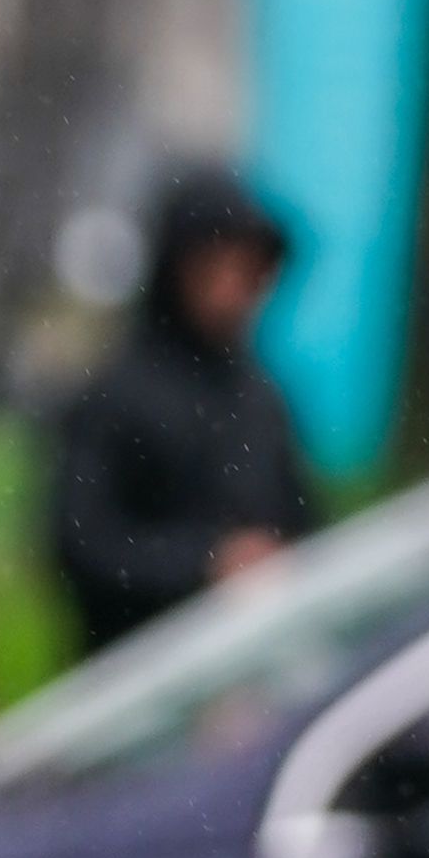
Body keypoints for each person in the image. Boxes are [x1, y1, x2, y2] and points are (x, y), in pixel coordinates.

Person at [51, 166, 313, 653]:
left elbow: (303, 522)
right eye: (215, 268)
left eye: (247, 272)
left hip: (252, 667)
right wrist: (204, 562)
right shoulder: (114, 396)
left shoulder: (260, 396)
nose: (232, 291)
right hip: (144, 672)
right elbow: (81, 544)